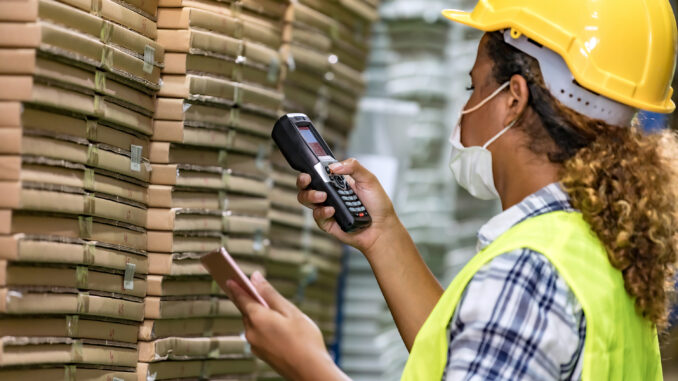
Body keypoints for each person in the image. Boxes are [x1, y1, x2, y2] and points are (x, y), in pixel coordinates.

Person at [225, 1, 678, 380]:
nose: (463, 109)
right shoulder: (597, 245)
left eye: (473, 86)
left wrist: (311, 366)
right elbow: (470, 349)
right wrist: (382, 234)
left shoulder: (527, 272)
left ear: (513, 100)